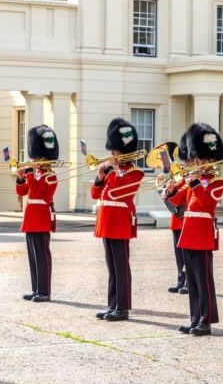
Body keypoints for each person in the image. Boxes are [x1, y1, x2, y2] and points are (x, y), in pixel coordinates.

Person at [166, 123, 223, 336]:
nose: (196, 163)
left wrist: (196, 182)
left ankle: (206, 320)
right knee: (192, 280)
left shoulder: (217, 181)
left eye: (200, 160)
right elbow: (178, 200)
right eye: (195, 159)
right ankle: (194, 318)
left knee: (204, 279)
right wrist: (171, 190)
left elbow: (206, 203)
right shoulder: (193, 181)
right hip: (189, 233)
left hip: (203, 233)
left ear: (210, 161)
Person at [91, 118, 144, 321]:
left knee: (121, 266)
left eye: (115, 152)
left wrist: (112, 172)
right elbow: (96, 195)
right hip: (107, 220)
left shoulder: (135, 172)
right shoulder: (111, 172)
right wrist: (100, 176)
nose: (112, 155)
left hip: (121, 221)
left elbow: (122, 192)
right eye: (112, 152)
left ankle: (122, 307)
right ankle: (112, 304)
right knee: (111, 266)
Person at [16, 125, 59, 303]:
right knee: (33, 256)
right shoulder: (35, 174)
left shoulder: (51, 175)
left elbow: (38, 190)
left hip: (41, 216)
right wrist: (20, 177)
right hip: (31, 216)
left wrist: (29, 175)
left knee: (42, 255)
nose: (33, 159)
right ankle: (36, 288)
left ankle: (45, 291)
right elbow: (22, 192)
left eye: (36, 156)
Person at [161, 135, 189, 295]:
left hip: (185, 217)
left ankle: (188, 282)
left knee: (186, 253)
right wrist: (165, 190)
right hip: (176, 218)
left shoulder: (187, 178)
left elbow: (183, 196)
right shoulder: (177, 176)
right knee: (178, 253)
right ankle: (180, 280)